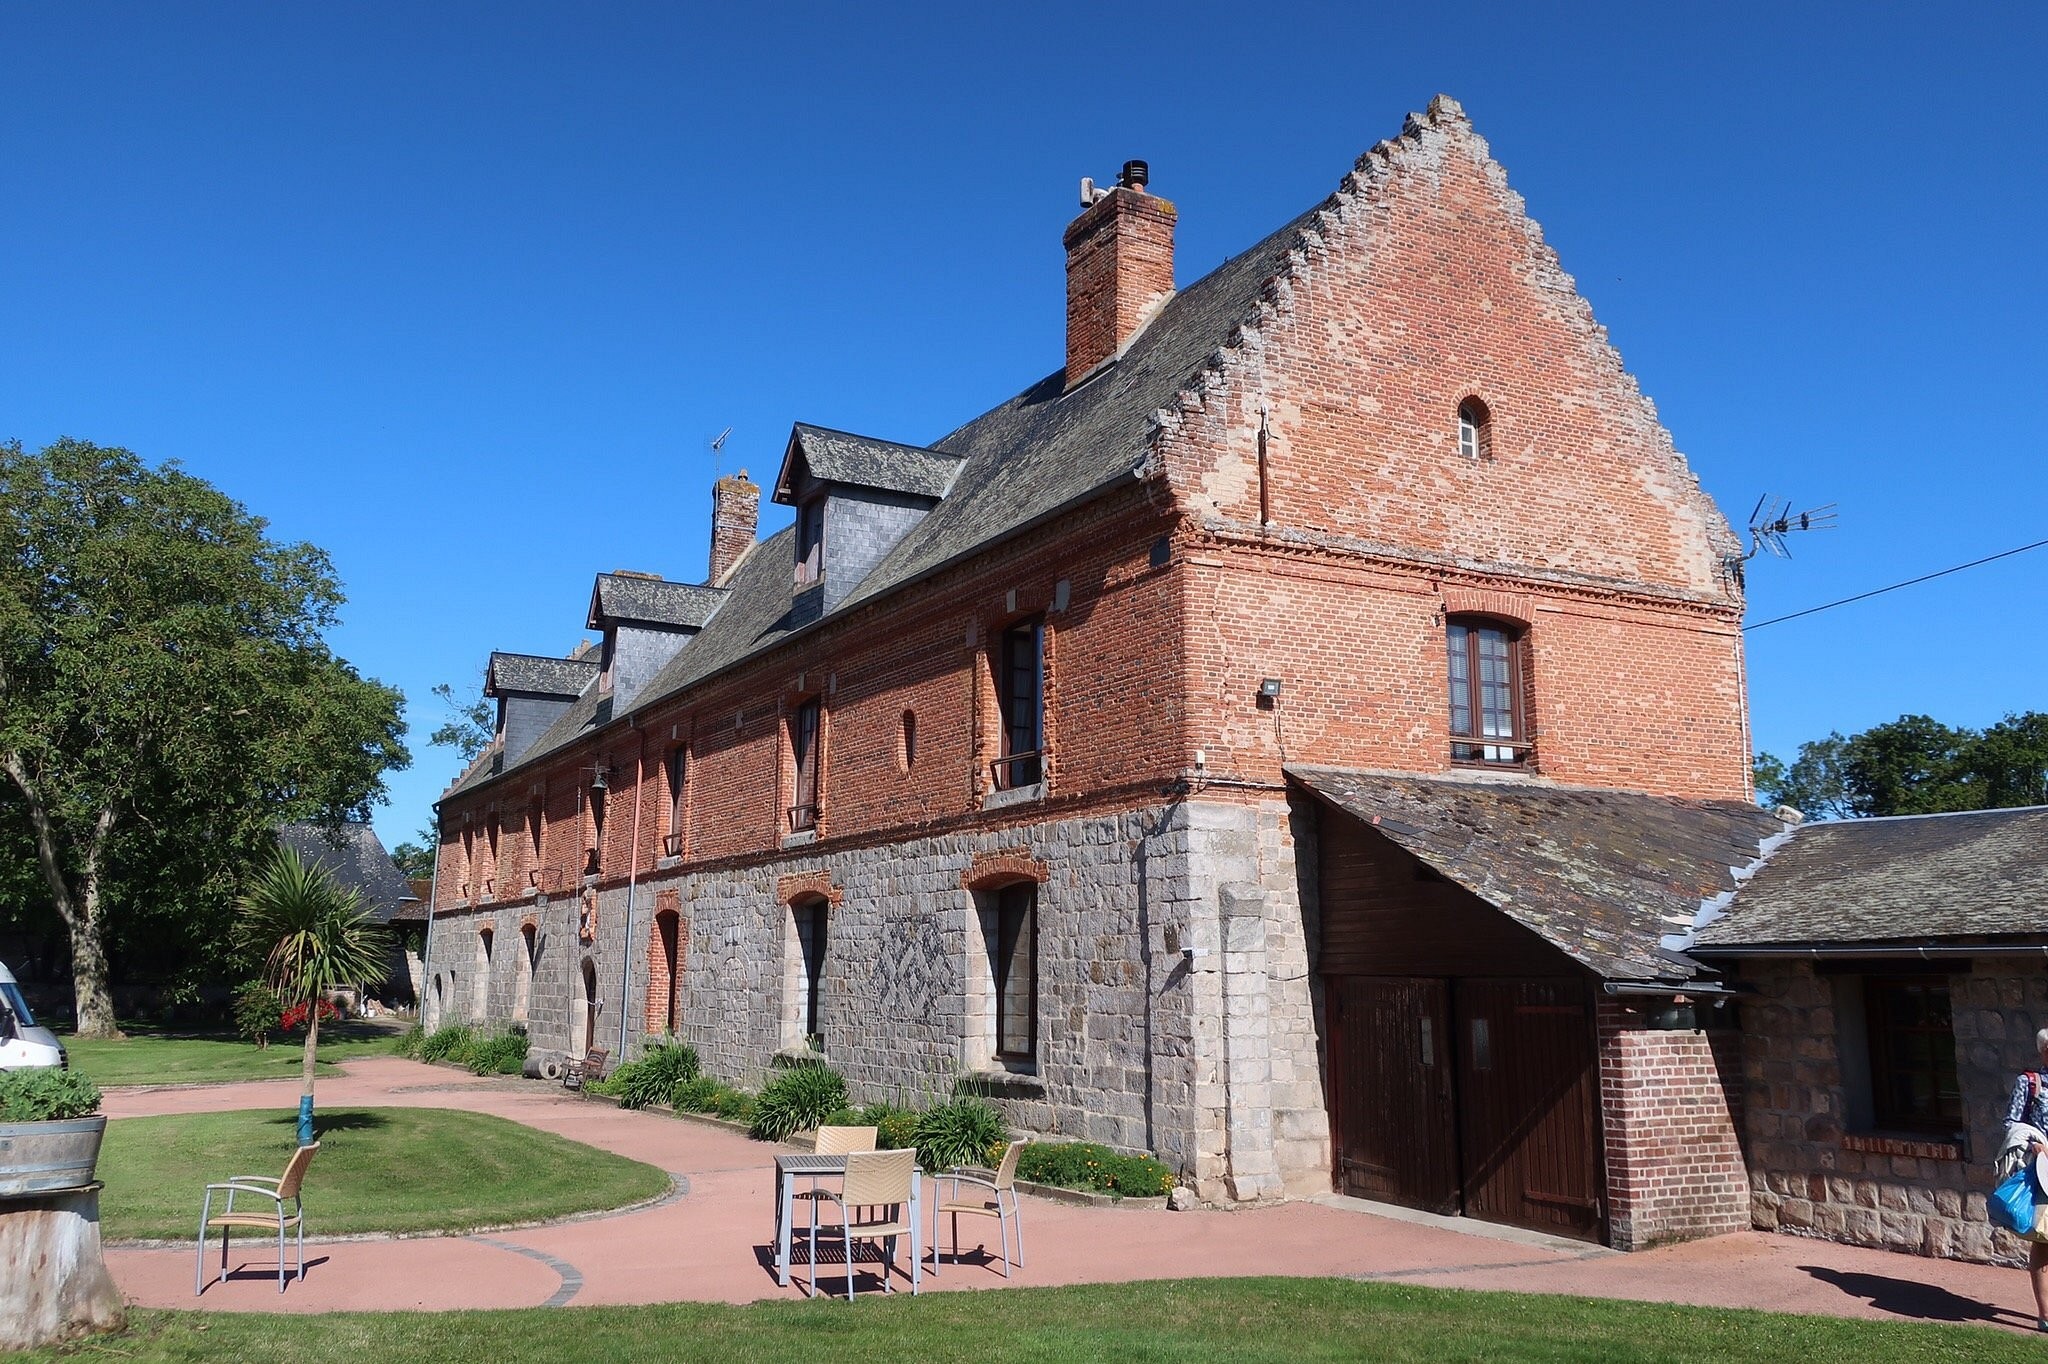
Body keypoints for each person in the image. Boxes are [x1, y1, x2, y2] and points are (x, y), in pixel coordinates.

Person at [2002, 1028, 2048, 1332]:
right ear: (2044, 1050)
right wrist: (2035, 1144)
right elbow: (2011, 1122)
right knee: (2045, 1242)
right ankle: (2046, 1315)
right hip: (2044, 1171)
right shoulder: (2030, 1083)